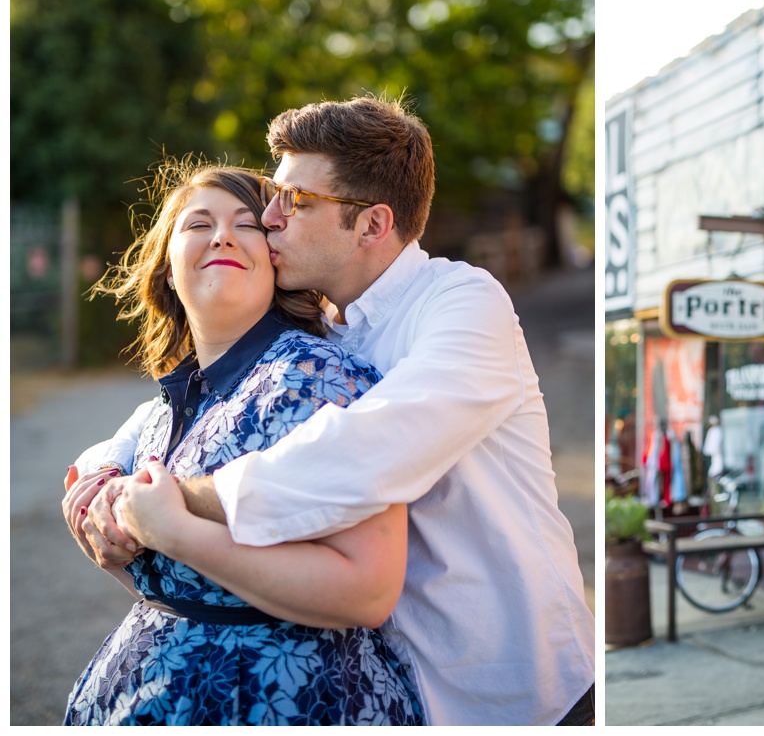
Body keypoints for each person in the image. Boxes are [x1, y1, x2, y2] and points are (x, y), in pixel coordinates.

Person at [67, 97, 595, 725]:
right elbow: (173, 414)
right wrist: (101, 475)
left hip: (512, 686)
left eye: (295, 201)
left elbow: (364, 450)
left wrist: (173, 503)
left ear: (372, 225)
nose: (270, 218)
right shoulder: (323, 327)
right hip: (397, 683)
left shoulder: (462, 304)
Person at [63, 163, 423, 725]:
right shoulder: (167, 405)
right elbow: (180, 579)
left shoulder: (321, 378)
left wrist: (174, 532)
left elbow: (366, 593)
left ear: (277, 258)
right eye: (198, 223)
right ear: (167, 267)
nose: (222, 235)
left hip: (288, 702)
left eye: (246, 224)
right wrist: (109, 539)